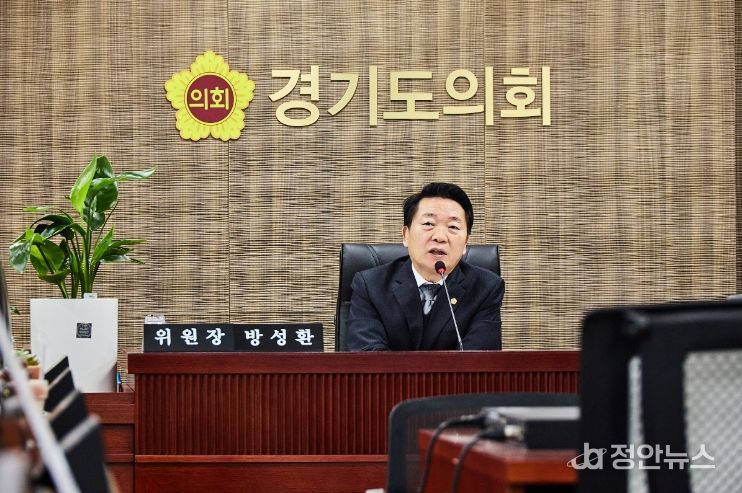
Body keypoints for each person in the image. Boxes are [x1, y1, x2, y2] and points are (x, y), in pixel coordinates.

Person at [347, 182, 504, 351]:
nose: (440, 237)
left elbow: (478, 361)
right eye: (429, 224)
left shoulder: (485, 289)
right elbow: (368, 358)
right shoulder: (371, 286)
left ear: (465, 242)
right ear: (406, 235)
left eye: (453, 227)